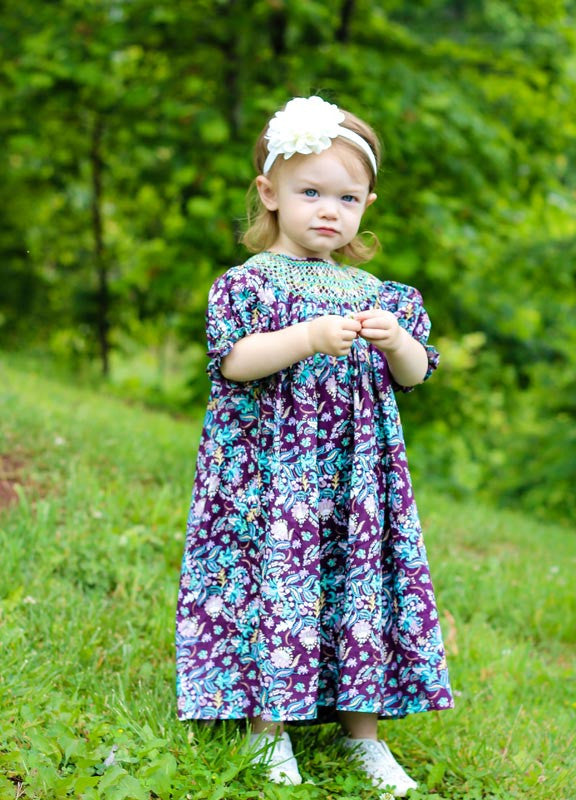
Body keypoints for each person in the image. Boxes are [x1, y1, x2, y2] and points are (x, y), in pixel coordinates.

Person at [175, 95, 453, 797]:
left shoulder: (379, 295)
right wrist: (305, 338)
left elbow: (417, 376)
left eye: (347, 197)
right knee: (280, 587)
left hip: (356, 485)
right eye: (311, 192)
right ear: (269, 194)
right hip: (273, 483)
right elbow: (234, 361)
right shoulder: (245, 286)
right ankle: (267, 733)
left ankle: (365, 736)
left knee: (359, 590)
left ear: (367, 204)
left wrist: (400, 343)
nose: (330, 210)